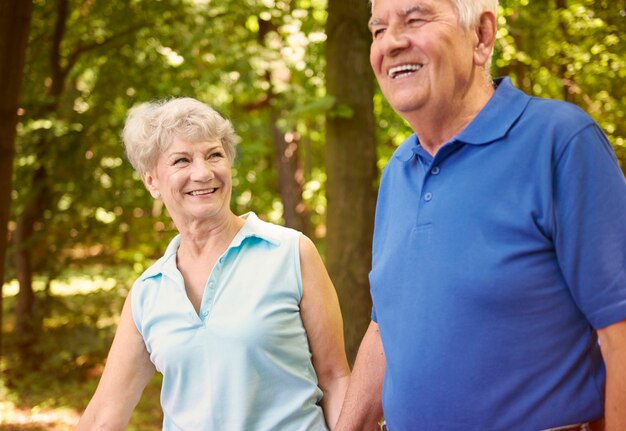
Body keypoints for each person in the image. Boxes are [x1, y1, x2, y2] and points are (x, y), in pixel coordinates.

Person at [336, 0, 626, 430]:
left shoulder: (560, 142)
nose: (391, 42)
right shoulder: (398, 171)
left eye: (414, 19)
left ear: (482, 35)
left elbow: (619, 333)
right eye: (378, 29)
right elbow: (386, 328)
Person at [77, 97, 350, 430]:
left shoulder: (291, 253)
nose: (203, 173)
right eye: (181, 160)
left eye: (214, 155)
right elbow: (103, 416)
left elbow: (336, 379)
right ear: (151, 181)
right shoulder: (148, 293)